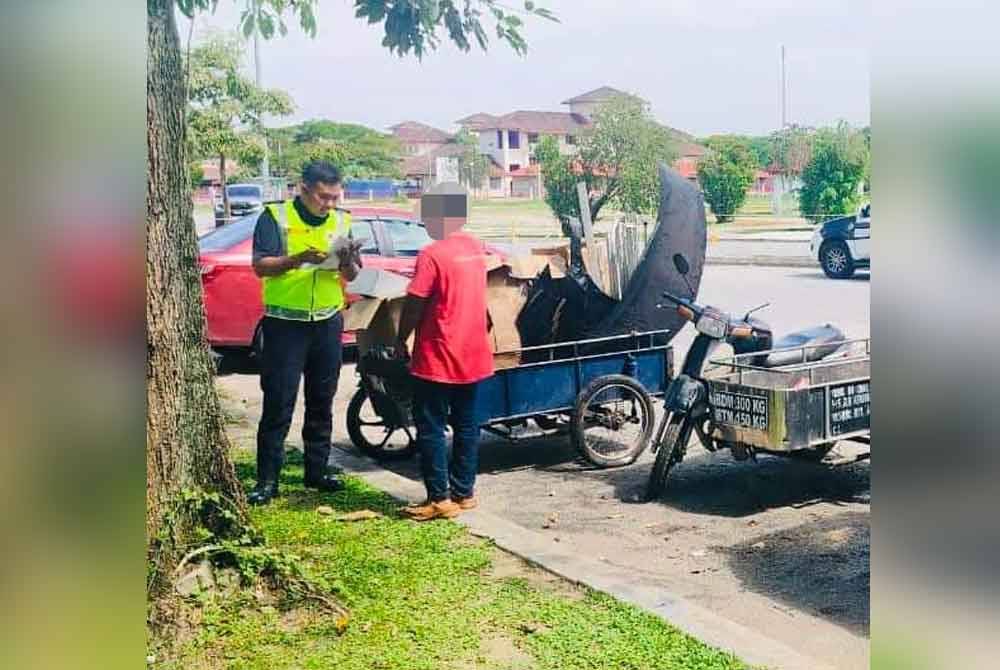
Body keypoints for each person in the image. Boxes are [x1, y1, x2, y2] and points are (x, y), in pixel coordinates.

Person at [247, 161, 362, 505]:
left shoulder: (342, 221)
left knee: (322, 399)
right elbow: (259, 265)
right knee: (278, 403)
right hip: (285, 325)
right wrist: (296, 259)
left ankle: (317, 470)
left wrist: (347, 261)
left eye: (334, 197)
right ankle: (267, 480)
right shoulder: (275, 216)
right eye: (323, 197)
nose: (328, 204)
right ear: (303, 188)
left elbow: (353, 275)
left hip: (327, 321)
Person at [396, 220, 494, 521]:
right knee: (466, 424)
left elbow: (415, 302)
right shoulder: (474, 247)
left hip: (439, 353)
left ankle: (439, 498)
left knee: (431, 427)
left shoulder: (432, 254)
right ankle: (464, 493)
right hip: (473, 350)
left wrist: (401, 338)